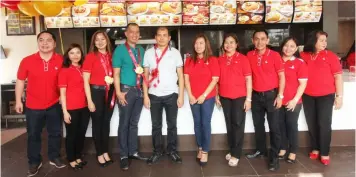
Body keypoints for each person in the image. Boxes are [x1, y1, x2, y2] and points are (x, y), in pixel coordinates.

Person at [15, 31, 66, 177]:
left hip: (54, 104)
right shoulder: (27, 60)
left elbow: (66, 81)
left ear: (54, 43)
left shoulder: (61, 60)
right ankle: (34, 161)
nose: (45, 43)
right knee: (33, 135)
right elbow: (20, 81)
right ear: (38, 43)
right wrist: (18, 100)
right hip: (33, 105)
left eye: (48, 40)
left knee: (55, 133)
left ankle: (54, 156)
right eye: (41, 40)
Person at [300, 30, 343, 166]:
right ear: (314, 41)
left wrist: (339, 96)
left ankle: (324, 152)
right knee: (312, 123)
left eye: (325, 40)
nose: (325, 43)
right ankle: (315, 148)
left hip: (326, 96)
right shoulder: (303, 55)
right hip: (307, 95)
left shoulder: (330, 56)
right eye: (321, 40)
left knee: (324, 124)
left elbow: (338, 76)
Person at [142, 27, 184, 165]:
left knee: (172, 125)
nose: (161, 38)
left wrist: (181, 95)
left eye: (164, 35)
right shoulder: (148, 53)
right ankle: (157, 151)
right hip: (154, 95)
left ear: (169, 38)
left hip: (172, 94)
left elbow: (180, 76)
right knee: (156, 125)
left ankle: (172, 150)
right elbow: (145, 76)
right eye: (159, 35)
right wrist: (146, 96)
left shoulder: (175, 53)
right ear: (155, 37)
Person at [245, 29, 285, 171]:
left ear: (268, 41)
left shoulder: (274, 55)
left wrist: (280, 96)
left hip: (271, 96)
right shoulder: (249, 55)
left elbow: (281, 77)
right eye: (257, 39)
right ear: (252, 40)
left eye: (263, 39)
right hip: (256, 96)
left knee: (274, 127)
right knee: (258, 125)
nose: (260, 42)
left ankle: (274, 157)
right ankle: (261, 150)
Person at [113, 23, 147, 170]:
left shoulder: (141, 50)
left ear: (139, 35)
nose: (134, 34)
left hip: (139, 90)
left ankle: (133, 151)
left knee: (134, 123)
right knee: (124, 123)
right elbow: (116, 73)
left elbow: (144, 71)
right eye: (131, 32)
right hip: (126, 90)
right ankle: (123, 155)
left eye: (137, 32)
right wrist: (118, 92)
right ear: (126, 34)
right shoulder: (120, 50)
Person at [216, 33, 252, 167]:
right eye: (226, 42)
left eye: (232, 42)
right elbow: (217, 80)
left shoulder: (243, 59)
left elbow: (248, 79)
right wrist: (217, 94)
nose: (229, 45)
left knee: (238, 124)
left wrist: (248, 99)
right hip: (225, 96)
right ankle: (232, 150)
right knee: (229, 124)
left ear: (237, 45)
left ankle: (236, 154)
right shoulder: (220, 59)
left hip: (239, 97)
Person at [184, 34, 220, 166]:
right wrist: (191, 95)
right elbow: (186, 79)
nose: (198, 46)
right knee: (197, 123)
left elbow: (215, 79)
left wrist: (203, 95)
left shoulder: (212, 60)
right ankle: (199, 147)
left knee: (205, 123)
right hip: (193, 97)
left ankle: (205, 151)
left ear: (206, 45)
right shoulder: (189, 60)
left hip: (207, 97)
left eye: (201, 43)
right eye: (196, 43)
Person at [82, 30, 115, 168]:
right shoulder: (90, 57)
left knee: (106, 123)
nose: (100, 42)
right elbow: (85, 80)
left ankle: (106, 151)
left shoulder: (112, 56)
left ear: (107, 40)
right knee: (97, 124)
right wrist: (89, 100)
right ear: (93, 43)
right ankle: (99, 153)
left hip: (110, 91)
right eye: (97, 40)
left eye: (103, 39)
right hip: (96, 92)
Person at [58, 43, 90, 170]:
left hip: (85, 107)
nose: (75, 55)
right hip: (71, 108)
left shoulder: (84, 69)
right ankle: (71, 158)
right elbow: (63, 93)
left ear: (82, 54)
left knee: (81, 133)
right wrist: (65, 111)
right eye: (72, 53)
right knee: (72, 134)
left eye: (78, 52)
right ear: (68, 55)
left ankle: (78, 156)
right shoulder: (64, 71)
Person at [277, 37, 308, 164]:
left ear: (296, 48)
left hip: (293, 101)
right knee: (280, 125)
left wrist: (295, 100)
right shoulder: (277, 60)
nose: (288, 48)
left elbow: (303, 84)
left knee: (291, 125)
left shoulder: (299, 63)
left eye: (291, 46)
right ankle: (283, 148)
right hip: (279, 100)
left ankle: (293, 151)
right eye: (286, 45)